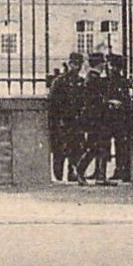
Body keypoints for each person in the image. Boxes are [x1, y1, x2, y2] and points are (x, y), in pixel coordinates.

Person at [75, 51, 113, 185]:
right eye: (103, 63)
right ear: (100, 64)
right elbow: (96, 101)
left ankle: (100, 175)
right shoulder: (93, 79)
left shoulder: (92, 77)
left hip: (95, 118)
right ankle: (80, 170)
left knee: (100, 146)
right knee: (94, 147)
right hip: (96, 119)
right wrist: (109, 103)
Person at [46, 53, 85, 183]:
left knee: (76, 148)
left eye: (79, 64)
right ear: (69, 64)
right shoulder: (60, 81)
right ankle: (58, 175)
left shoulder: (80, 81)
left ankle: (72, 173)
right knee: (60, 149)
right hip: (62, 120)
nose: (77, 67)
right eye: (74, 64)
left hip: (75, 120)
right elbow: (52, 102)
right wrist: (56, 120)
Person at [105, 53, 133, 184]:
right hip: (119, 117)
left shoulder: (115, 80)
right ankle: (121, 171)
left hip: (117, 117)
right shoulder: (121, 81)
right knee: (121, 145)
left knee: (121, 145)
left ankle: (121, 170)